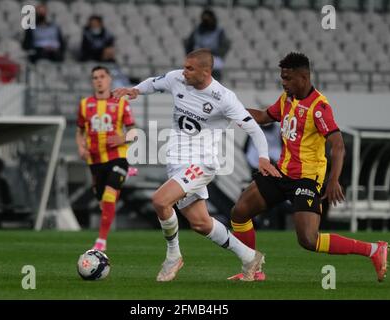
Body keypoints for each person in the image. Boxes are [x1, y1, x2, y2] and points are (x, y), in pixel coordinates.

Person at [113, 48, 281, 282]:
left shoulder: (223, 97)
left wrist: (263, 157)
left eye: (190, 68)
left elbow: (253, 127)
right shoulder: (177, 79)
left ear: (206, 71)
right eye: (184, 66)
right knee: (201, 224)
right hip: (176, 162)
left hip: (202, 163)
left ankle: (173, 257)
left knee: (160, 201)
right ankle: (249, 257)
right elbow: (154, 83)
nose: (185, 72)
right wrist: (134, 90)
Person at [229, 52, 390, 282]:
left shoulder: (319, 107)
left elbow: (338, 145)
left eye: (287, 78)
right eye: (282, 78)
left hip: (306, 179)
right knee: (239, 212)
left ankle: (374, 250)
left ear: (303, 77)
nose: (283, 82)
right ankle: (252, 269)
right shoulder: (287, 99)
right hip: (282, 172)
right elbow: (264, 116)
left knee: (308, 240)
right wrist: (231, 110)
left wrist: (333, 180)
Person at [76, 66, 136, 252]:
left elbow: (134, 132)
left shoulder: (121, 103)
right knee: (103, 202)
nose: (98, 80)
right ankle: (125, 174)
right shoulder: (85, 104)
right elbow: (80, 131)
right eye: (95, 77)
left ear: (109, 79)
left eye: (102, 76)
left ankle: (101, 240)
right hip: (95, 160)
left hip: (117, 155)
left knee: (110, 195)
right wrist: (81, 147)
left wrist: (122, 138)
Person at [184, 8, 230, 81]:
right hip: (198, 57)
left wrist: (215, 53)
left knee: (213, 78)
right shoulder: (197, 30)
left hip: (214, 57)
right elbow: (189, 44)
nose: (206, 21)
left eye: (208, 19)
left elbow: (224, 46)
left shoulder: (219, 31)